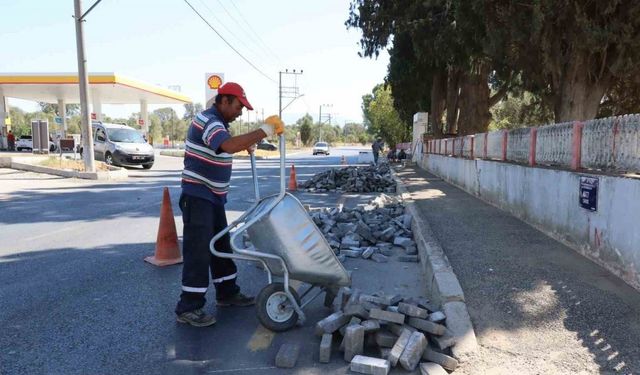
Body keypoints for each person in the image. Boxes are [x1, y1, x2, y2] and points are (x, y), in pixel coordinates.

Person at [175, 82, 285, 327]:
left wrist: (245, 142)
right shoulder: (209, 120)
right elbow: (227, 145)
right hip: (198, 195)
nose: (240, 112)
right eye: (238, 106)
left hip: (211, 197)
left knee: (220, 245)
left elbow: (226, 145)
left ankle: (227, 293)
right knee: (198, 250)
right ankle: (188, 307)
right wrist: (263, 130)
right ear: (223, 101)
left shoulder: (219, 124)